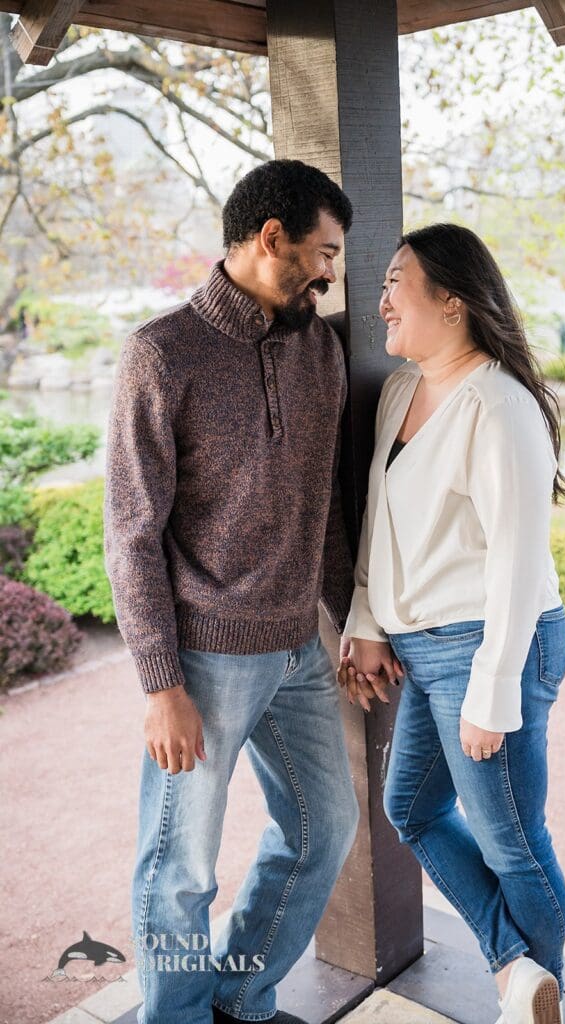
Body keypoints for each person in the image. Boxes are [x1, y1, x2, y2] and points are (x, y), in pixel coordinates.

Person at [104, 159, 360, 1024]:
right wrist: (160, 685)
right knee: (179, 866)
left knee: (324, 832)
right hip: (206, 659)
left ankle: (239, 994)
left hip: (297, 648)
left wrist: (348, 623)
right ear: (270, 238)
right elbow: (132, 531)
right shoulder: (161, 353)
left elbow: (322, 507)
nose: (331, 272)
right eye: (323, 252)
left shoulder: (317, 347)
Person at [338, 223, 565, 1024]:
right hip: (423, 645)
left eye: (395, 282)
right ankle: (519, 972)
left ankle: (535, 997)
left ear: (453, 301)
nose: (378, 302)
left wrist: (493, 690)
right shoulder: (404, 391)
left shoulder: (498, 405)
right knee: (412, 810)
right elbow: (378, 517)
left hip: (488, 645)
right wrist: (368, 616)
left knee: (511, 841)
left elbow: (515, 556)